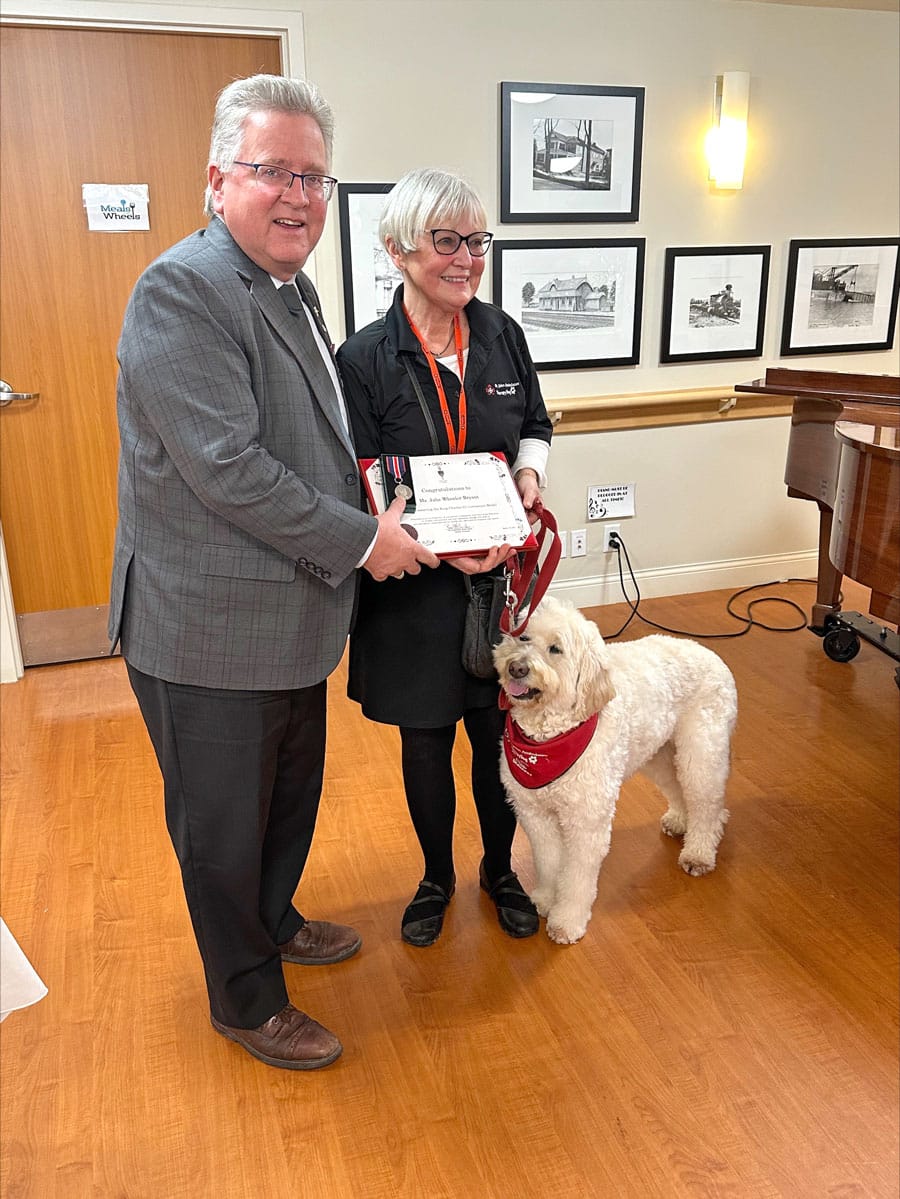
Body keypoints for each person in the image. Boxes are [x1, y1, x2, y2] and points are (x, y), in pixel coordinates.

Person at [108, 76, 438, 1071]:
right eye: (270, 172)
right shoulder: (183, 288)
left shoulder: (289, 285)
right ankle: (245, 998)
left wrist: (377, 498)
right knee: (220, 823)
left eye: (313, 177)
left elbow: (316, 437)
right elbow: (228, 468)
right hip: (205, 629)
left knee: (285, 799)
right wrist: (362, 540)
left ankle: (273, 916)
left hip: (289, 615)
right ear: (218, 181)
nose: (296, 195)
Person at [337, 169, 553, 948]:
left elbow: (534, 421)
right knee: (426, 741)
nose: (466, 258)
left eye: (478, 241)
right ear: (399, 250)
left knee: (497, 739)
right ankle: (436, 876)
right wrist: (441, 546)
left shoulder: (502, 334)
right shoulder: (363, 358)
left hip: (496, 585)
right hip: (411, 590)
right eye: (447, 241)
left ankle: (501, 870)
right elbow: (361, 475)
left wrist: (528, 476)